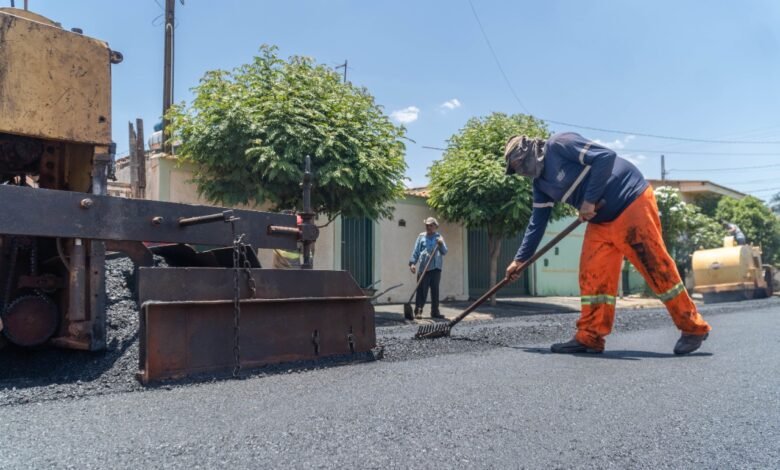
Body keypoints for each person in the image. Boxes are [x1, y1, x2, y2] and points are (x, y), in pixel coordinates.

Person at [504, 132, 711, 355]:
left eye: (520, 165)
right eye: (516, 170)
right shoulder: (541, 185)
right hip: (600, 220)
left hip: (631, 202)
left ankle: (693, 328)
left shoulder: (560, 144)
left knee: (656, 269)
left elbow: (605, 156)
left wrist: (588, 201)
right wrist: (520, 260)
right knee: (592, 276)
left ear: (531, 152)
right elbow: (537, 222)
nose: (521, 172)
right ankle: (590, 337)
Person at [408, 217, 448, 319]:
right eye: (427, 225)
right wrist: (412, 264)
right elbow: (416, 251)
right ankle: (418, 311)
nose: (428, 227)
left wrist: (441, 244)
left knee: (435, 291)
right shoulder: (421, 237)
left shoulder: (439, 237)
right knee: (421, 291)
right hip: (423, 269)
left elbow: (444, 252)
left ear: (435, 226)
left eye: (431, 225)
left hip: (435, 268)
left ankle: (435, 312)